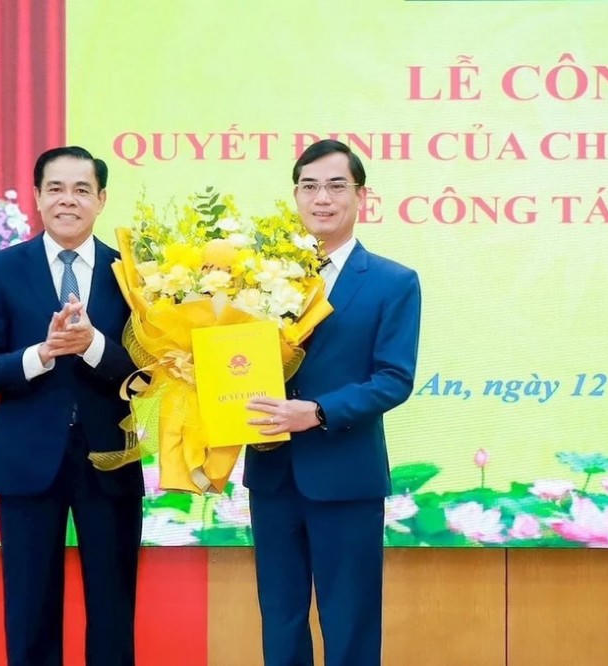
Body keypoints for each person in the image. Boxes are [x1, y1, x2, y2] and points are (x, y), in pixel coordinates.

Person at [244, 139, 422, 666]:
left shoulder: (393, 282)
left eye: (336, 186)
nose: (322, 198)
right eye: (310, 186)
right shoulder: (257, 277)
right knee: (280, 619)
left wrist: (319, 412)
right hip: (273, 474)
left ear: (361, 196)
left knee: (350, 623)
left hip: (346, 476)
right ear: (296, 196)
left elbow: (394, 379)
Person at [0, 146, 142, 666]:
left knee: (112, 612)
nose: (69, 200)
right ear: (38, 197)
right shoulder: (1, 269)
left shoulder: (131, 273)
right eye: (56, 189)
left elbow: (148, 372)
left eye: (82, 189)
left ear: (101, 199)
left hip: (109, 459)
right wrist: (42, 353)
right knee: (30, 611)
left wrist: (92, 345)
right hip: (26, 463)